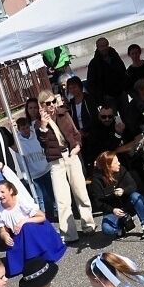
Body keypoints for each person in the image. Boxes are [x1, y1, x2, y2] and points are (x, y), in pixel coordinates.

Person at [35, 90, 95, 242]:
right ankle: (69, 234)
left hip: (71, 155)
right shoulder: (39, 123)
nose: (52, 106)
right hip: (56, 161)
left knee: (80, 192)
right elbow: (43, 142)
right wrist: (43, 125)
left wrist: (77, 147)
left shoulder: (63, 114)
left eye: (53, 102)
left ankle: (88, 225)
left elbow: (75, 133)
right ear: (42, 105)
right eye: (48, 103)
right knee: (62, 199)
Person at [0, 180, 66, 278]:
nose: (0, 195)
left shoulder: (21, 201)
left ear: (10, 191)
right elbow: (2, 231)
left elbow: (42, 217)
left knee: (27, 228)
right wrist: (5, 236)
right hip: (19, 234)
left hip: (37, 229)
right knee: (14, 261)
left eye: (2, 192)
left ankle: (40, 256)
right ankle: (29, 260)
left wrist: (24, 221)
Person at [89, 151, 144, 239]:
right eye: (116, 162)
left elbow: (133, 185)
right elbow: (98, 202)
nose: (119, 163)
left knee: (136, 196)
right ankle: (120, 226)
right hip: (112, 210)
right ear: (108, 166)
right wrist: (112, 210)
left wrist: (124, 190)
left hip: (127, 204)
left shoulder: (122, 169)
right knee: (107, 229)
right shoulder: (97, 180)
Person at [13, 115, 55, 217]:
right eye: (23, 129)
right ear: (19, 130)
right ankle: (44, 216)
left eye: (27, 127)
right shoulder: (18, 142)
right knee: (40, 197)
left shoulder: (36, 135)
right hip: (34, 175)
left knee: (50, 194)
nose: (26, 130)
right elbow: (18, 156)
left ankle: (53, 213)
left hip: (45, 169)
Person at [86, 36, 128, 108]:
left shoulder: (115, 57)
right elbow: (91, 83)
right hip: (107, 98)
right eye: (102, 46)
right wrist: (101, 98)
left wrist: (124, 88)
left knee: (128, 116)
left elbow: (123, 71)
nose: (104, 48)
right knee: (109, 118)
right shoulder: (93, 64)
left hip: (121, 93)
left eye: (106, 45)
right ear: (97, 48)